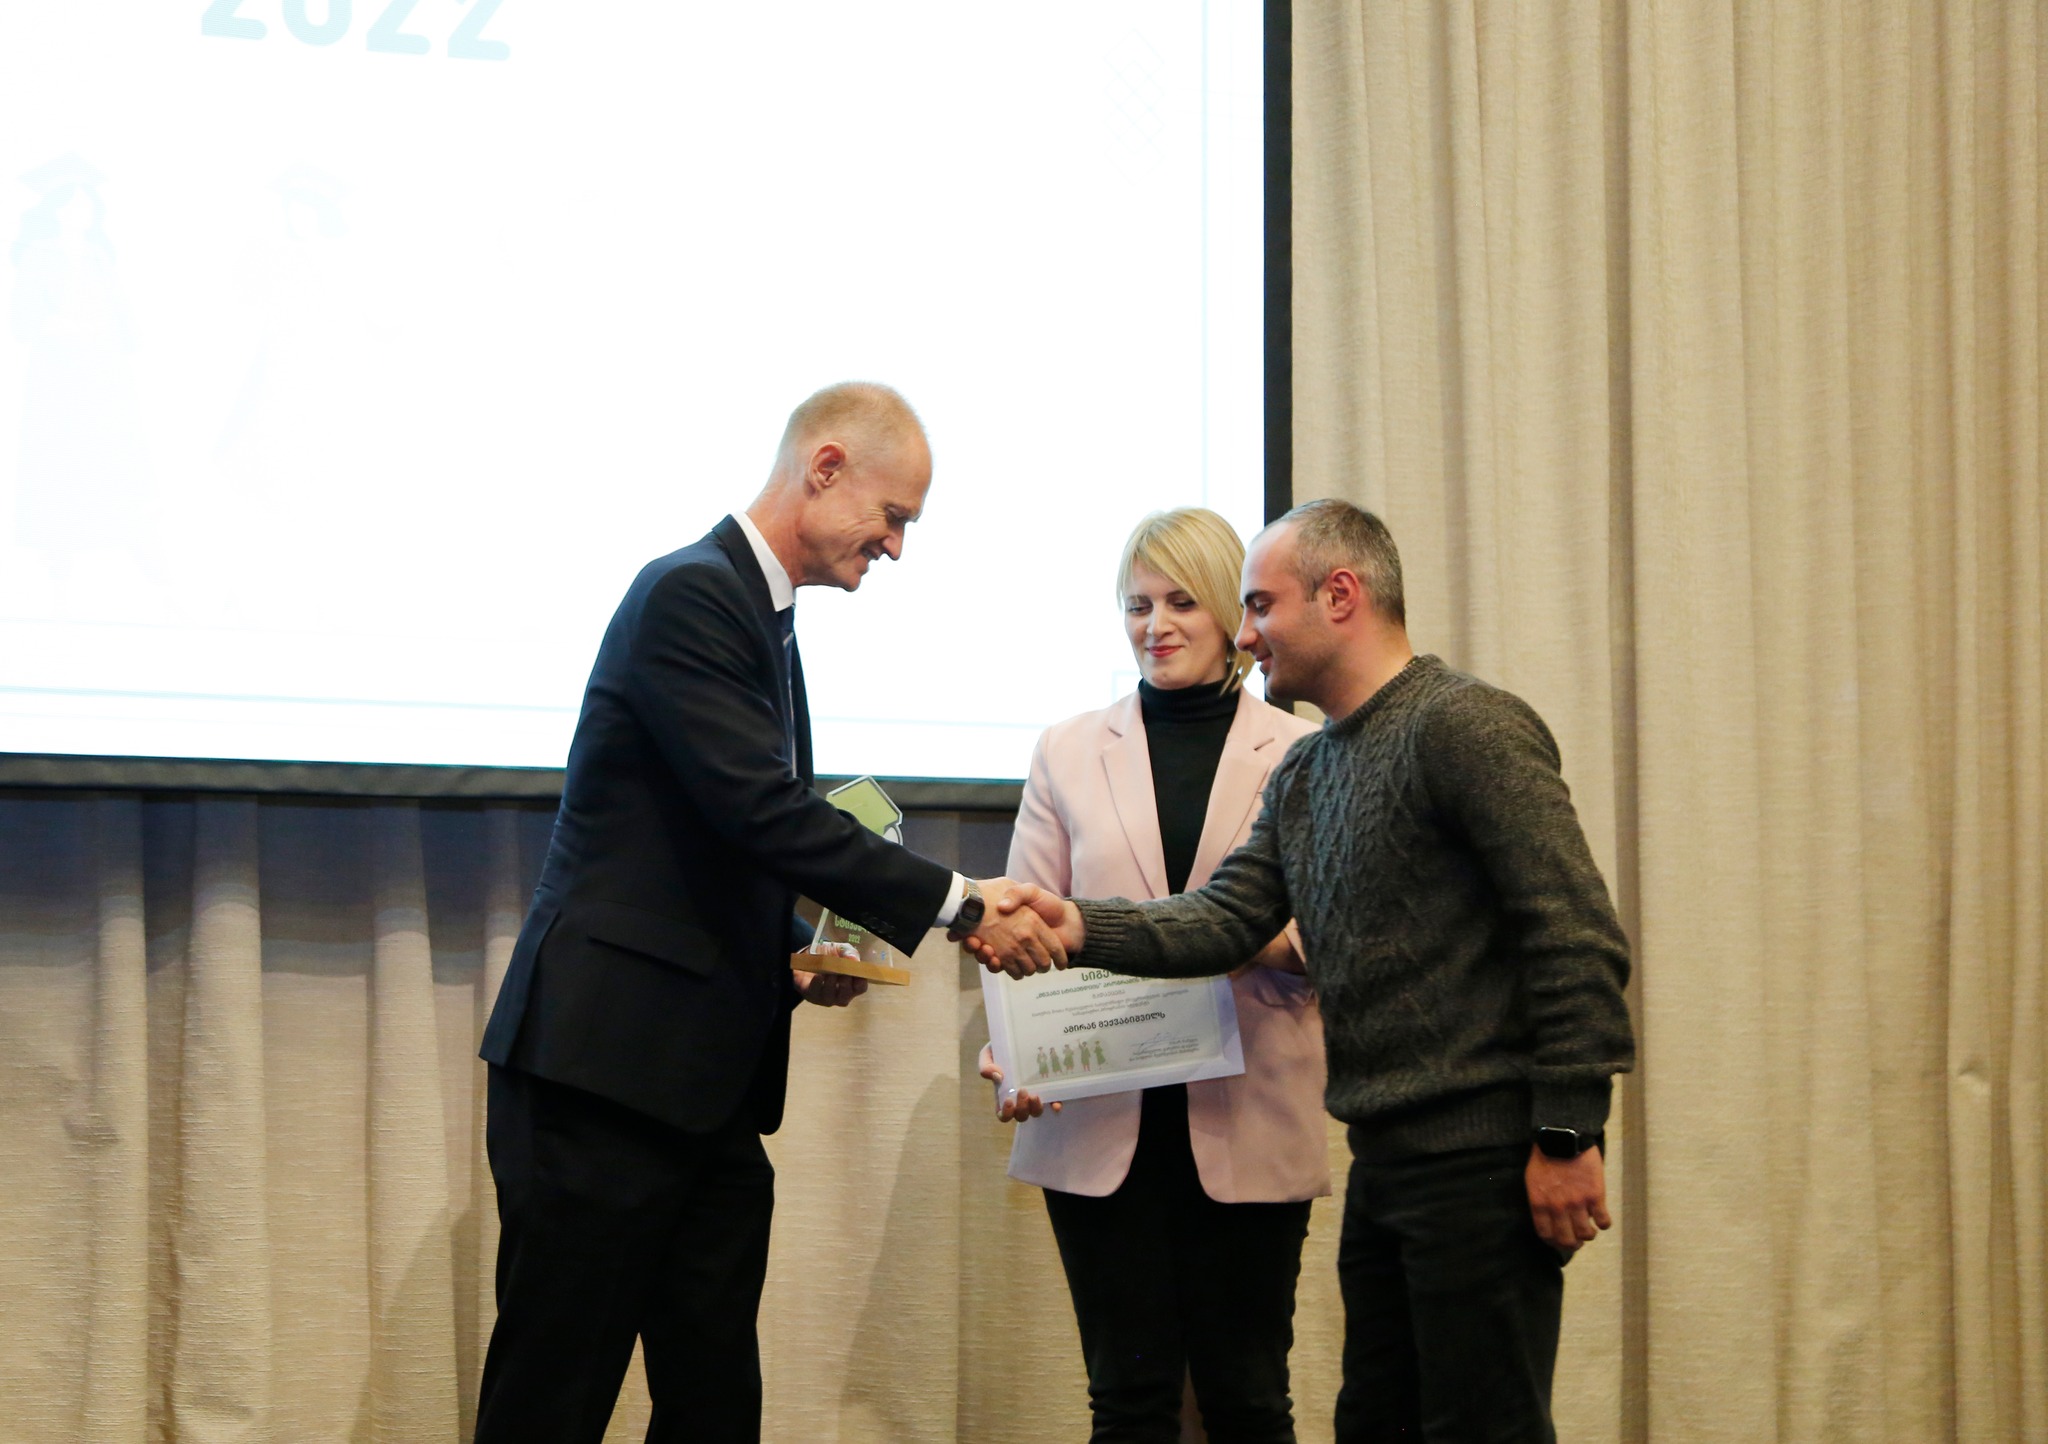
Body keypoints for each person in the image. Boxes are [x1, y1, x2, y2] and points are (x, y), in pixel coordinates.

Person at [973, 499, 1637, 1444]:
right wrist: (1075, 922)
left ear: (1341, 595)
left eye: (1257, 606)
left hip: (1482, 1161)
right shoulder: (1310, 771)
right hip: (1384, 1160)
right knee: (1373, 1421)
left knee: (1480, 1425)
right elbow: (1220, 920)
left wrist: (1568, 1132)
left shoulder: (1466, 726)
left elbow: (1573, 935)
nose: (1245, 636)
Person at [473, 381, 1064, 1444]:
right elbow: (760, 810)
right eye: (893, 516)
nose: (895, 548)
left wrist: (796, 947)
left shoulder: (763, 620)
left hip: (697, 1094)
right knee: (551, 1398)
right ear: (825, 468)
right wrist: (963, 902)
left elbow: (703, 845)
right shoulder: (690, 594)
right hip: (603, 1077)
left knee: (714, 1404)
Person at [979, 507, 1327, 1443]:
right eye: (1137, 605)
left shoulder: (1304, 752)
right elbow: (1023, 925)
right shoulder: (1065, 749)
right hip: (1100, 1113)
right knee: (1127, 1405)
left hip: (1252, 1107)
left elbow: (1333, 937)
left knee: (1249, 1402)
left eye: (1180, 602)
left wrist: (1233, 938)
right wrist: (1011, 1053)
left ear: (1227, 613)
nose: (1155, 625)